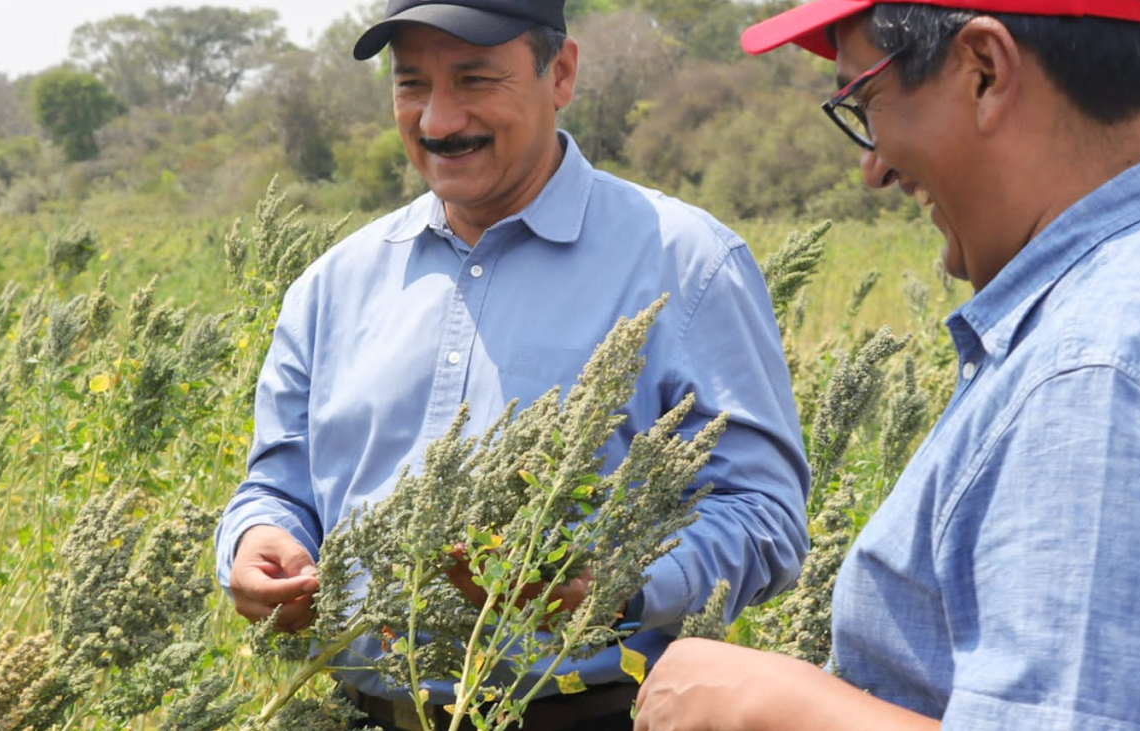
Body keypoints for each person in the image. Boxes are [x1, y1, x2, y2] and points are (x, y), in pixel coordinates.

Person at [633, 0, 1140, 729]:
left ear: (985, 72)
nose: (872, 168)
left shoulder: (1102, 379)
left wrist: (773, 704)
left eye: (864, 99)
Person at [213, 1, 811, 730]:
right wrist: (257, 540)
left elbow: (765, 515)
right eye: (411, 85)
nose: (438, 118)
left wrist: (613, 582)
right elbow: (277, 483)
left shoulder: (688, 263)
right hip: (358, 711)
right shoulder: (330, 286)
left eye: (474, 79)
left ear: (560, 73)